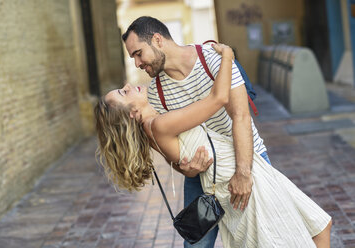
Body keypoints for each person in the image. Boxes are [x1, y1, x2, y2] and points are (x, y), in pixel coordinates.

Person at [94, 43, 332, 247]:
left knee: (320, 226)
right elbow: (218, 99)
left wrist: (186, 167)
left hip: (247, 167)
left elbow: (178, 158)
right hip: (237, 181)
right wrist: (228, 56)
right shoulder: (159, 125)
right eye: (123, 93)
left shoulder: (154, 125)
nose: (128, 85)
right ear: (132, 114)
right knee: (295, 237)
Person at [120, 16, 263, 248]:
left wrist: (243, 172)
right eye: (133, 57)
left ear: (157, 40)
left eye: (138, 53)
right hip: (202, 176)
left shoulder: (213, 59)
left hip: (245, 161)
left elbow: (241, 116)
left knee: (258, 239)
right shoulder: (155, 93)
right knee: (196, 245)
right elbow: (171, 149)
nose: (137, 64)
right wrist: (184, 168)